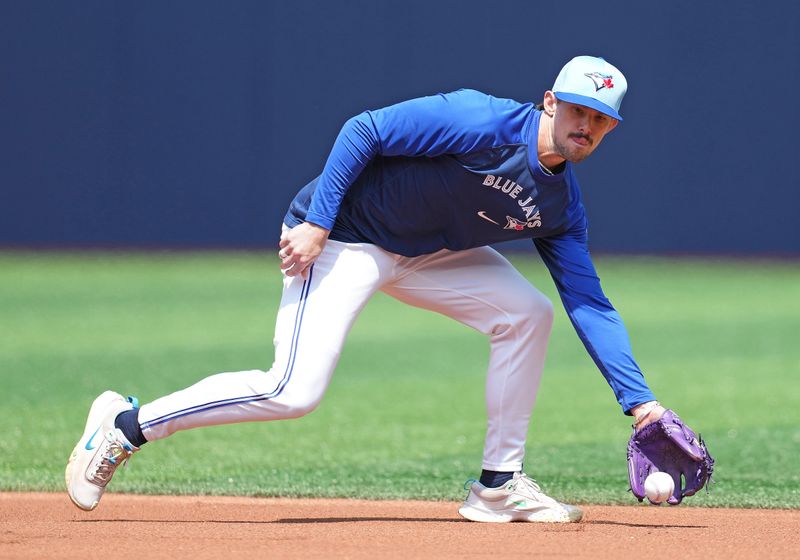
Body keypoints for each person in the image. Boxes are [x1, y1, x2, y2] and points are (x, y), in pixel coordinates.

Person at [66, 56, 671, 523]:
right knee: (291, 390)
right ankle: (125, 425)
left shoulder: (560, 206)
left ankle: (497, 487)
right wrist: (317, 223)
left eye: (598, 118)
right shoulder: (481, 119)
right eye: (576, 109)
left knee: (530, 315)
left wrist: (640, 402)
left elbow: (588, 303)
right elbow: (365, 129)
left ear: (611, 126)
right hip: (343, 238)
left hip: (429, 254)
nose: (584, 125)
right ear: (550, 103)